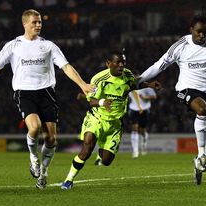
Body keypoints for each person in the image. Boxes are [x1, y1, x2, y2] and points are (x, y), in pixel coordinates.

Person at [0, 9, 92, 189]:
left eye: (40, 22)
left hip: (47, 92)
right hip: (24, 92)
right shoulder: (13, 45)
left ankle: (44, 173)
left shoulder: (48, 45)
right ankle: (33, 158)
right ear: (25, 24)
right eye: (34, 22)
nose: (38, 25)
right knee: (35, 127)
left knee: (51, 140)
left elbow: (66, 67)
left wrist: (83, 84)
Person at [137, 15, 206, 185]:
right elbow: (159, 65)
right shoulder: (181, 46)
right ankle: (201, 154)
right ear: (191, 30)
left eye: (205, 32)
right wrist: (139, 80)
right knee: (202, 110)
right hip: (187, 88)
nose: (202, 36)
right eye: (199, 32)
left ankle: (201, 159)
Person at [61, 51, 160, 190]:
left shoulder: (128, 75)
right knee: (87, 148)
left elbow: (133, 85)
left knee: (106, 161)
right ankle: (68, 180)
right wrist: (102, 102)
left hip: (115, 123)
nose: (121, 65)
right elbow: (91, 101)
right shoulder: (99, 78)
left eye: (123, 62)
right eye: (118, 62)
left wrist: (149, 85)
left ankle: (102, 151)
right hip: (97, 118)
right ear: (108, 63)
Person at [128, 87, 157, 158]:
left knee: (142, 130)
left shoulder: (147, 87)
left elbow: (154, 96)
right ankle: (135, 151)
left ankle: (144, 143)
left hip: (144, 110)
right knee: (135, 128)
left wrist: (145, 97)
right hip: (133, 109)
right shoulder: (129, 86)